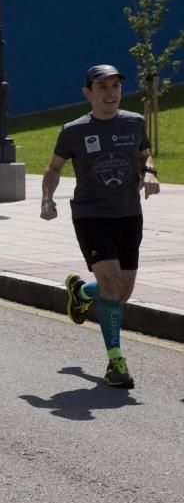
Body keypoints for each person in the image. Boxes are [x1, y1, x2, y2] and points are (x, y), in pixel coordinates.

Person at [41, 64, 160, 389]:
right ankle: (116, 361)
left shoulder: (134, 122)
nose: (111, 93)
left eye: (115, 86)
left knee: (120, 294)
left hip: (128, 215)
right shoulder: (73, 130)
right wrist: (46, 199)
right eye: (103, 87)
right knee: (110, 283)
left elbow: (144, 156)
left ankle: (81, 291)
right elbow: (53, 168)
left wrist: (149, 171)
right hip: (91, 215)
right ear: (88, 93)